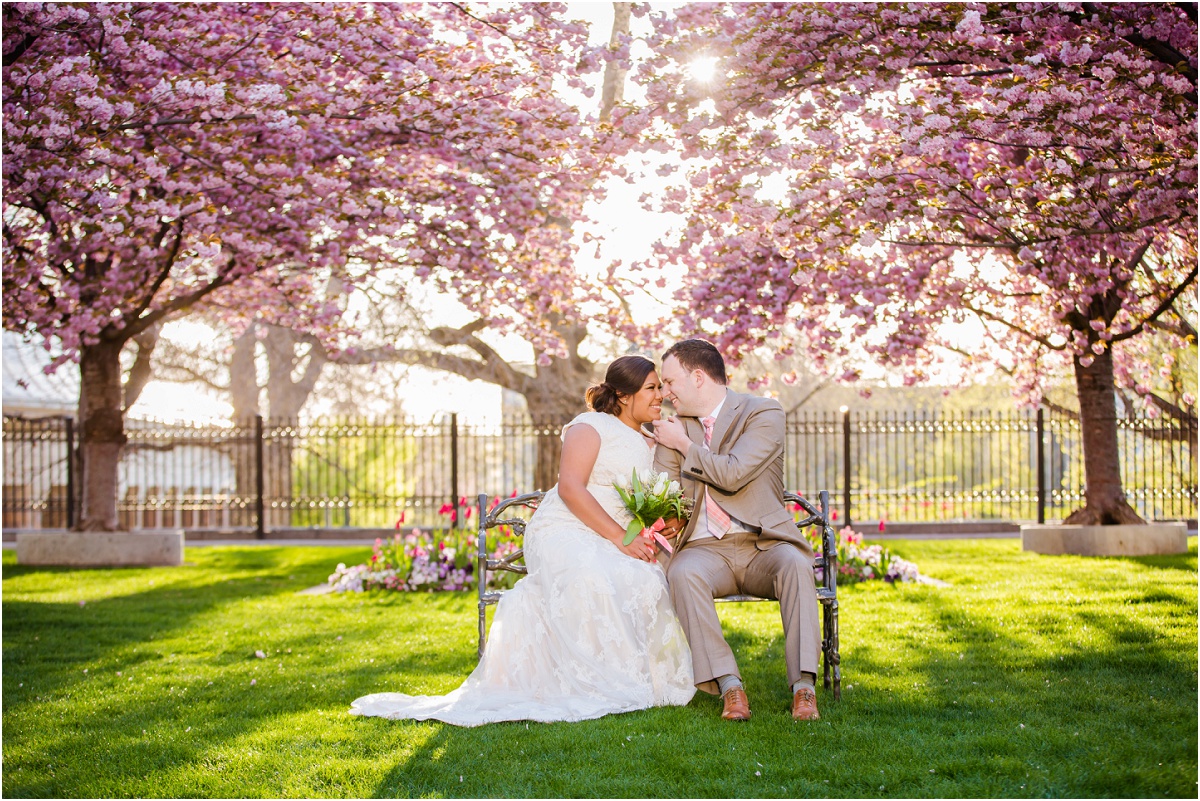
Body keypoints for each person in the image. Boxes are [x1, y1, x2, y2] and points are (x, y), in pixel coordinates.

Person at [350, 355, 695, 726]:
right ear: (625, 395)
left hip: (617, 534)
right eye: (652, 388)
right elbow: (570, 488)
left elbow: (648, 497)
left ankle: (635, 677)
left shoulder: (651, 438)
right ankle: (592, 680)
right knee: (591, 573)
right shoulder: (590, 426)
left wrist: (660, 523)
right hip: (566, 528)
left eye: (661, 387)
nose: (661, 395)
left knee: (644, 577)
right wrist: (619, 539)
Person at [649, 338, 821, 722]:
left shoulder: (764, 412)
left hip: (764, 544)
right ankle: (730, 687)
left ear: (697, 377)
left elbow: (734, 472)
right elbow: (663, 490)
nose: (665, 392)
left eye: (670, 381)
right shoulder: (675, 427)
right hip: (705, 550)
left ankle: (804, 688)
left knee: (796, 564)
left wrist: (683, 446)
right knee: (682, 572)